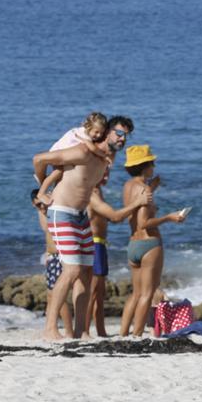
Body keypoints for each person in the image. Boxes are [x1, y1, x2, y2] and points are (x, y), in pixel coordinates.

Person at [32, 121, 129, 340]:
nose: (123, 138)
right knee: (72, 270)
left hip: (81, 216)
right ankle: (49, 329)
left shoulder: (104, 160)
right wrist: (41, 190)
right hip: (61, 212)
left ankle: (80, 332)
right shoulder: (82, 151)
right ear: (105, 133)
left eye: (126, 136)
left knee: (86, 273)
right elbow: (39, 159)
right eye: (120, 133)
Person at [119, 144, 187, 337]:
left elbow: (138, 206)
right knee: (147, 295)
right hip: (149, 244)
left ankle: (124, 333)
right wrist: (169, 217)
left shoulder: (129, 186)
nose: (154, 167)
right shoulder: (144, 190)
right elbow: (144, 222)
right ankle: (137, 335)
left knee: (136, 293)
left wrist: (152, 187)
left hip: (133, 244)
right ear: (145, 166)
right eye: (152, 163)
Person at [83, 166, 150, 338]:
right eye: (102, 172)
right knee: (92, 291)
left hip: (101, 244)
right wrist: (137, 202)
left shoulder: (99, 191)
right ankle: (83, 331)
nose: (106, 175)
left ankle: (101, 331)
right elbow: (115, 216)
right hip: (93, 244)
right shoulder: (91, 192)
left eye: (107, 172)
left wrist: (149, 189)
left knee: (99, 293)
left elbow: (111, 218)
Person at [31, 189, 74, 334]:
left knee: (57, 296)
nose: (42, 208)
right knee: (51, 296)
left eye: (43, 205)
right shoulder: (44, 213)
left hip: (59, 256)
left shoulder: (52, 211)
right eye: (38, 206)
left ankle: (69, 331)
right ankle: (50, 328)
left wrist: (45, 195)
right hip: (51, 257)